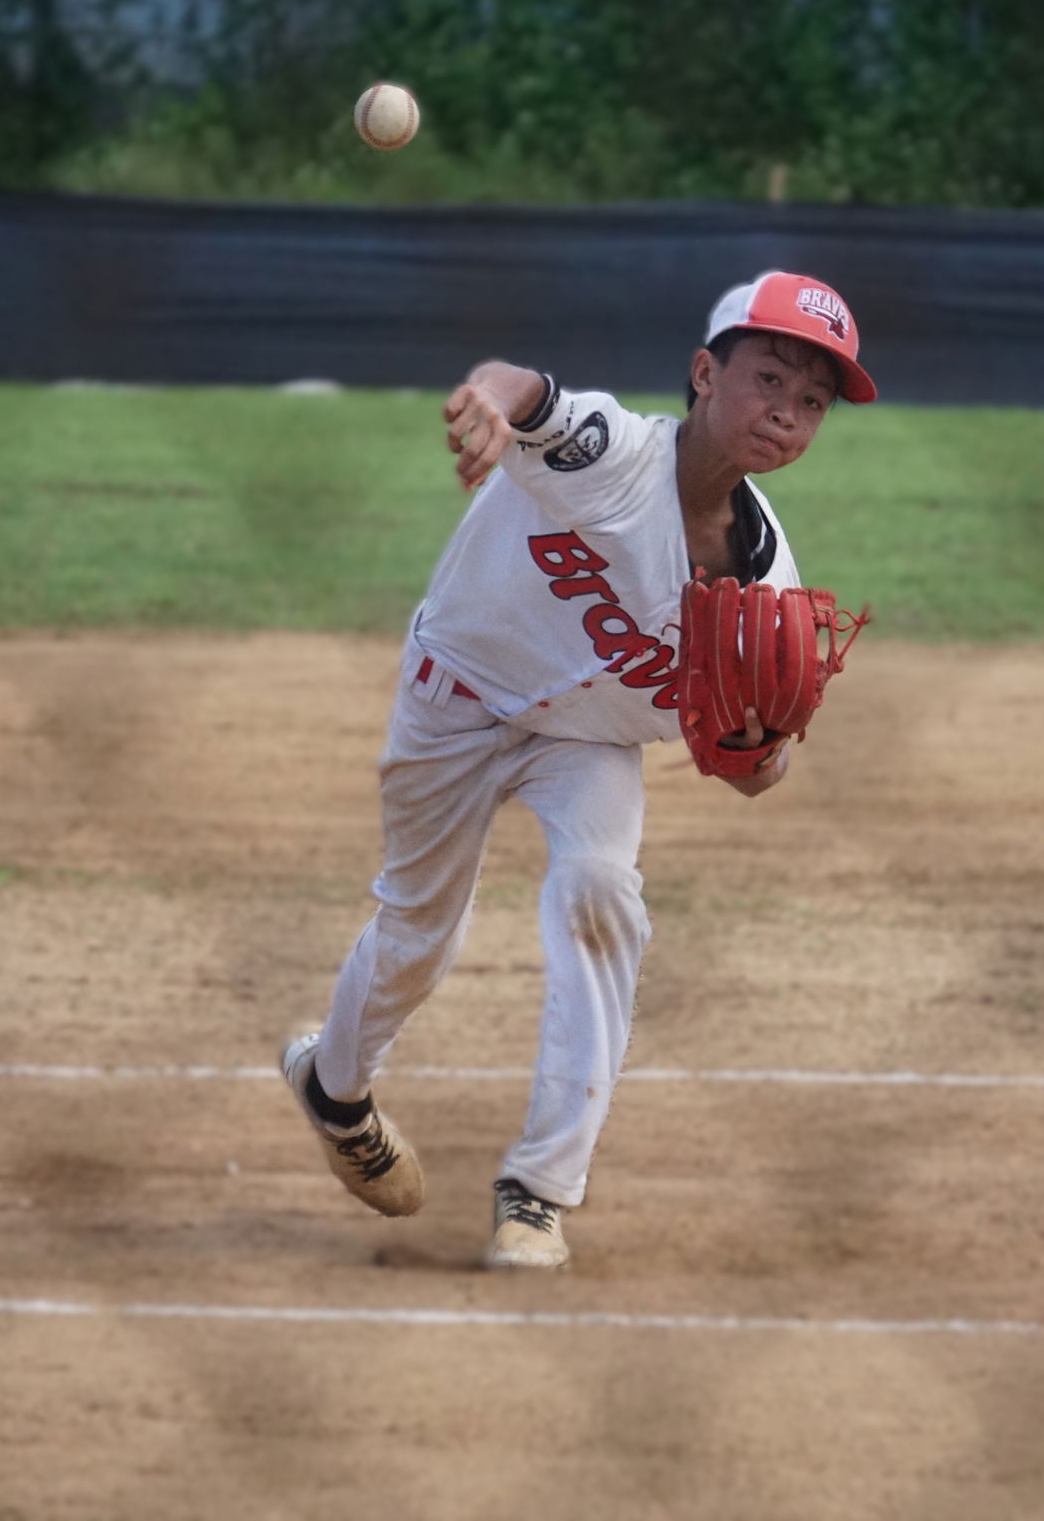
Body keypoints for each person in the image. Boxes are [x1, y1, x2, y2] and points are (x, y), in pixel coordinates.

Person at [280, 270, 878, 1268]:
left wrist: (753, 747)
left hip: (586, 739)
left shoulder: (767, 577)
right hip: (458, 691)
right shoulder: (616, 453)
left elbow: (752, 774)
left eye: (811, 401)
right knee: (419, 932)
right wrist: (482, 401)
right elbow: (525, 387)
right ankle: (333, 1089)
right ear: (702, 373)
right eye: (768, 378)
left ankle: (537, 1194)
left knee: (602, 894)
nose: (787, 411)